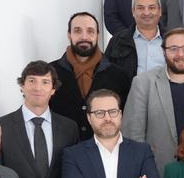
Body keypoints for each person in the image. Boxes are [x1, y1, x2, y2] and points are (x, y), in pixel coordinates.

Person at [123, 27, 184, 177]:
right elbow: (132, 134)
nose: (180, 54)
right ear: (163, 51)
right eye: (173, 49)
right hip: (156, 172)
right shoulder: (143, 83)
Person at [50, 12, 131, 141]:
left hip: (104, 152)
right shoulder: (50, 73)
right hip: (61, 151)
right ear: (69, 35)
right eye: (77, 31)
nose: (84, 36)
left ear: (97, 35)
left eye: (90, 31)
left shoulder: (119, 76)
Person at [104, 0, 166, 78]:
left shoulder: (172, 40)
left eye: (152, 8)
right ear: (133, 11)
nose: (146, 13)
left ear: (160, 11)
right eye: (140, 8)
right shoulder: (117, 41)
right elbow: (106, 75)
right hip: (129, 91)